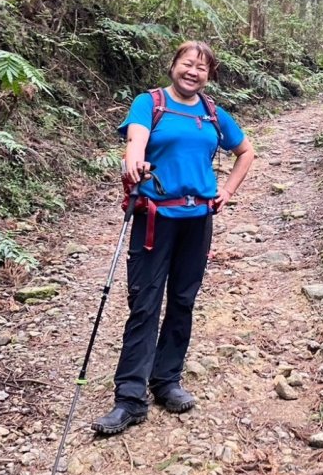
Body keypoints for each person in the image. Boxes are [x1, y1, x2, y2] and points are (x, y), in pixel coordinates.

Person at [92, 41, 255, 435]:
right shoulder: (149, 103)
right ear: (173, 66)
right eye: (187, 64)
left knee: (182, 301)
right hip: (154, 218)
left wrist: (227, 191)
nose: (193, 72)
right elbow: (135, 143)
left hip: (198, 218)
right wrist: (134, 165)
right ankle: (130, 397)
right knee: (145, 304)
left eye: (202, 68)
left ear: (209, 75)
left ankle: (167, 381)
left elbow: (246, 151)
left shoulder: (214, 114)